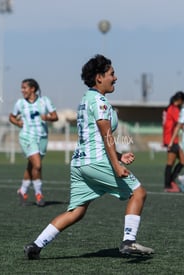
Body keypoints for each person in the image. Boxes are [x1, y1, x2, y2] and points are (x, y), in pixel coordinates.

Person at [23, 54, 154, 260]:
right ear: (99, 77)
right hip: (96, 162)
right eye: (112, 74)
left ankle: (36, 245)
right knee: (138, 193)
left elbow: (94, 137)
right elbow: (106, 134)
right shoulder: (100, 102)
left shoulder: (85, 99)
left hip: (80, 163)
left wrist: (119, 155)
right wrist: (116, 165)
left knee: (75, 211)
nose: (116, 78)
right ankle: (129, 241)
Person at [9, 78, 58, 206]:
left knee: (32, 166)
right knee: (37, 165)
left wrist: (47, 117)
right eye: (22, 88)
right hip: (27, 137)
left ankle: (23, 190)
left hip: (42, 137)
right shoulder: (20, 103)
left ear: (33, 89)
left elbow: (55, 116)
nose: (22, 90)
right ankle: (39, 194)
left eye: (24, 88)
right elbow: (11, 117)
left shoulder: (44, 101)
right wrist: (17, 122)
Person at [162, 91, 184, 192]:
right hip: (171, 139)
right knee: (171, 162)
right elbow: (180, 123)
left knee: (182, 160)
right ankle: (168, 184)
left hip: (170, 138)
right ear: (180, 100)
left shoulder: (169, 108)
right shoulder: (174, 109)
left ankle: (170, 182)